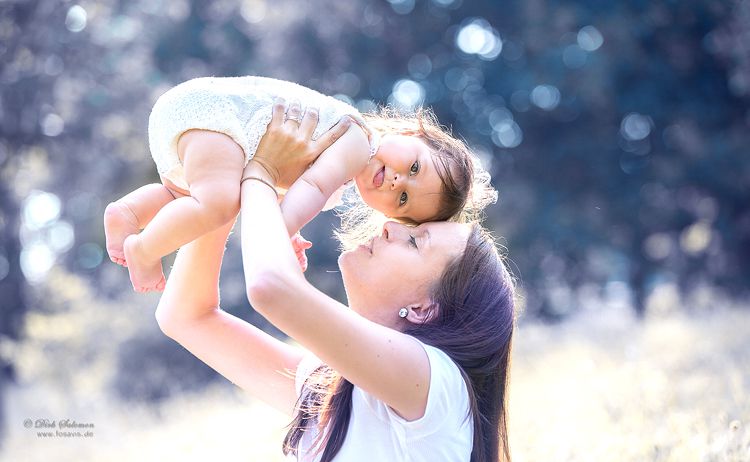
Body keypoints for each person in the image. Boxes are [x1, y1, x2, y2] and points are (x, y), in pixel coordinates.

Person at [155, 102, 516, 462]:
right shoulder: (333, 388)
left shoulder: (438, 387)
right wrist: (223, 185)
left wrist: (262, 169)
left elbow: (270, 288)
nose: (390, 225)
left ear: (423, 309)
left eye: (415, 241)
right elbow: (187, 317)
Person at [103, 76, 494, 292]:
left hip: (203, 127)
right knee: (218, 204)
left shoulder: (341, 174)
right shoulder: (358, 141)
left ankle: (128, 213)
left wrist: (287, 232)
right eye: (413, 167)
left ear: (388, 217)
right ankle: (144, 248)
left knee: (185, 195)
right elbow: (308, 192)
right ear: (410, 133)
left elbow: (282, 191)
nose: (394, 181)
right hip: (215, 117)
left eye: (404, 198)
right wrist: (280, 234)